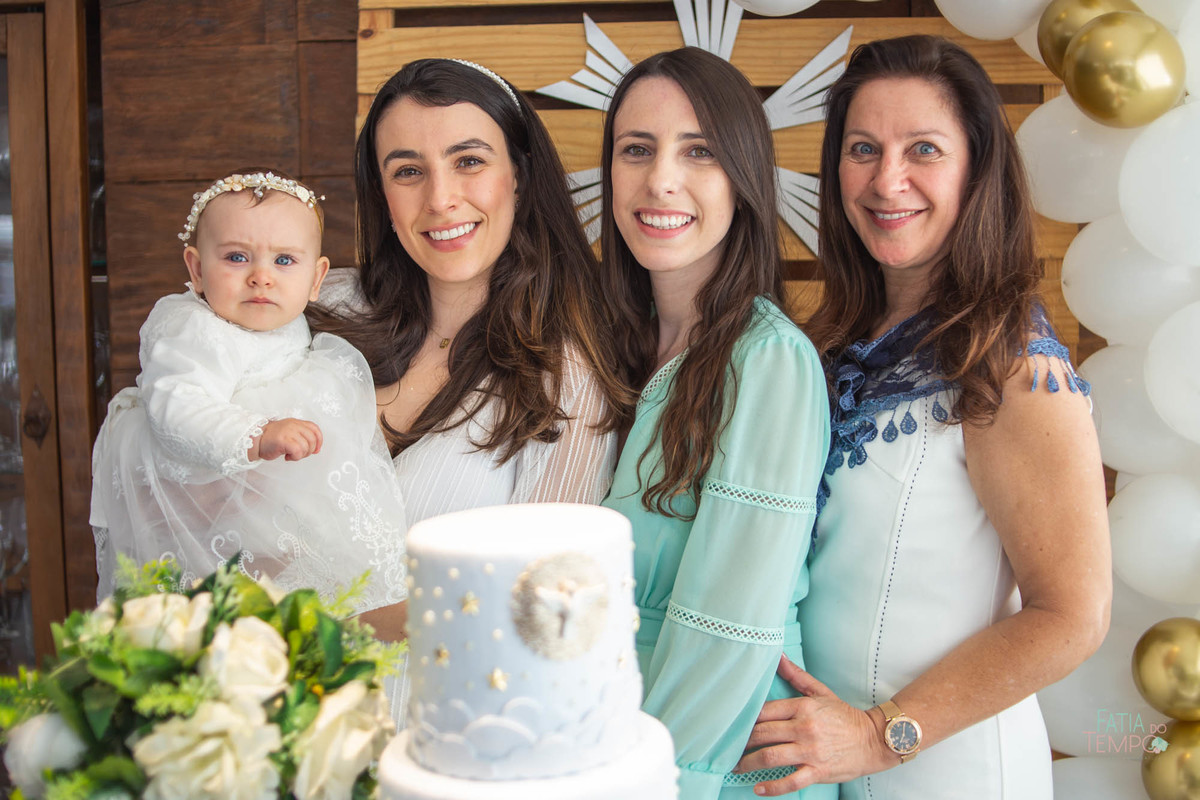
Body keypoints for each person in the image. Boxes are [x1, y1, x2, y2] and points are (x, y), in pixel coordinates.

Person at [733, 35, 1111, 799]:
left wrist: (880, 735)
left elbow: (1073, 614)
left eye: (925, 150)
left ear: (976, 170)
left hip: (952, 770)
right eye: (863, 148)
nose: (887, 180)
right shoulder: (827, 344)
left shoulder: (1012, 362)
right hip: (829, 771)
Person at [596, 48, 834, 800]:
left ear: (743, 180)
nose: (660, 179)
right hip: (613, 733)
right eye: (637, 150)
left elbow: (728, 628)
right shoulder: (611, 349)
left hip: (716, 760)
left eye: (698, 152)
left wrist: (652, 784)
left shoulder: (767, 361)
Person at [315, 58, 631, 526]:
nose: (440, 199)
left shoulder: (567, 381)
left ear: (520, 177)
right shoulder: (324, 303)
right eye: (407, 171)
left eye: (469, 161)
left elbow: (537, 582)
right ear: (382, 193)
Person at [90, 170, 408, 622]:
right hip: (208, 489)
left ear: (317, 279)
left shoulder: (291, 319)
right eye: (237, 257)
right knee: (205, 617)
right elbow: (178, 407)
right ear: (197, 269)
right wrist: (257, 433)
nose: (261, 277)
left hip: (266, 516)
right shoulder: (191, 328)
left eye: (284, 261)